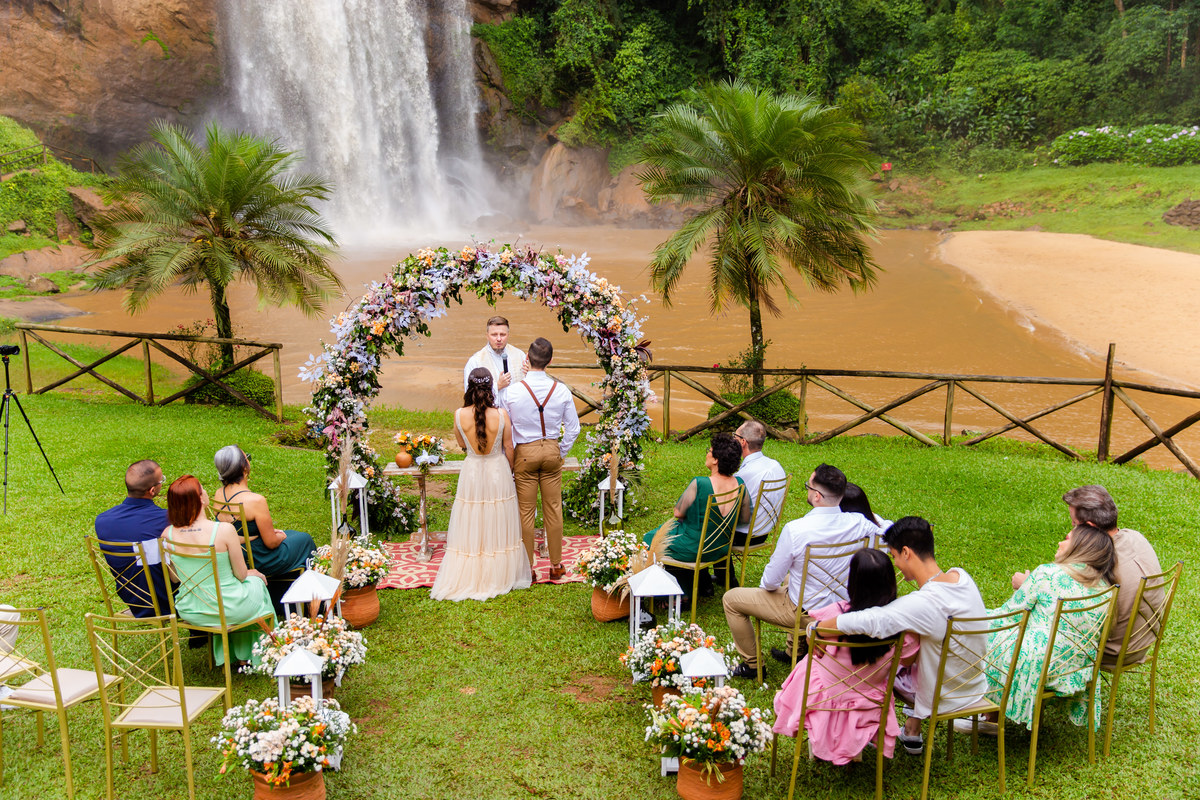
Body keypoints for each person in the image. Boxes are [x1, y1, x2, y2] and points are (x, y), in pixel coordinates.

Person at [817, 516, 988, 756]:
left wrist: (817, 628)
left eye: (894, 556)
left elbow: (871, 619)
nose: (895, 563)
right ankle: (911, 726)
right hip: (974, 684)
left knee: (877, 664)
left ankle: (852, 731)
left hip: (944, 694)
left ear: (906, 552)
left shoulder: (924, 603)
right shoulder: (960, 576)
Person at [724, 464, 882, 679]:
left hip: (807, 612)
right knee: (793, 580)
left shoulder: (796, 529)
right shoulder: (861, 524)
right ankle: (795, 652)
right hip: (843, 607)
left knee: (731, 599)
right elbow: (887, 530)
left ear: (817, 495)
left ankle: (752, 666)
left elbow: (769, 582)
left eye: (808, 486)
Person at [773, 548, 920, 764]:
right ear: (890, 583)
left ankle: (819, 732)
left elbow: (814, 636)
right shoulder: (902, 628)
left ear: (853, 583)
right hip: (870, 704)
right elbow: (906, 661)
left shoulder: (835, 615)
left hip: (819, 700)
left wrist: (812, 633)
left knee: (810, 664)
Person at [1012, 485, 1162, 667]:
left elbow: (1065, 609)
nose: (1072, 530)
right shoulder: (1135, 537)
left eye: (1074, 524)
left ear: (1090, 527)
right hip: (1142, 642)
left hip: (1110, 651)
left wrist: (1028, 585)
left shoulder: (1098, 562)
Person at [985, 524, 1117, 730]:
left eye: (1066, 539)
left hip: (1039, 666)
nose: (1059, 542)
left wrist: (977, 615)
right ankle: (991, 714)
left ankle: (985, 712)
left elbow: (1008, 615)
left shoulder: (1047, 573)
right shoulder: (1106, 589)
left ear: (1080, 547)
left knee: (983, 633)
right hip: (1077, 669)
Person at [431, 369, 533, 601]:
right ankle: (498, 572)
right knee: (498, 516)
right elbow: (509, 447)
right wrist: (509, 469)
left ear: (469, 387)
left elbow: (462, 444)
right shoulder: (501, 414)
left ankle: (473, 570)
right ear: (491, 388)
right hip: (498, 470)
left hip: (473, 471)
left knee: (473, 515)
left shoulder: (458, 414)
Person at [161, 475, 275, 666]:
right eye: (202, 489)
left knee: (243, 592)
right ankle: (262, 654)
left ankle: (233, 655)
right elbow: (241, 575)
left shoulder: (167, 534)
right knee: (256, 584)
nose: (206, 492)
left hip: (191, 609)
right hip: (227, 608)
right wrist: (252, 574)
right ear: (199, 499)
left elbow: (174, 579)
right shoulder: (223, 530)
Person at [504, 337, 580, 579]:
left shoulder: (512, 392)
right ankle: (556, 565)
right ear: (550, 361)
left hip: (525, 453)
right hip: (551, 451)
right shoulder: (561, 390)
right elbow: (574, 428)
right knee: (554, 508)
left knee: (526, 512)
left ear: (527, 359)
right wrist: (561, 451)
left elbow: (506, 429)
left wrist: (511, 457)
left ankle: (528, 568)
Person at [644, 432, 749, 599]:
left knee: (650, 539)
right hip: (721, 548)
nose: (707, 453)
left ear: (716, 460)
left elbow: (678, 512)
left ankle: (676, 594)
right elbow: (744, 518)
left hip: (694, 549)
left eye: (709, 450)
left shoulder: (700, 483)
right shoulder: (740, 484)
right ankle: (699, 585)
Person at [213, 445, 316, 610]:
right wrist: (280, 536)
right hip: (259, 558)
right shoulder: (255, 501)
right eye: (247, 458)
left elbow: (225, 531)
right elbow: (271, 543)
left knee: (293, 534)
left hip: (236, 554)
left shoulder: (219, 494)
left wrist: (251, 537)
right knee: (305, 540)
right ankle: (308, 601)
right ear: (243, 468)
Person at [94, 459, 173, 617]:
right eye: (161, 480)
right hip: (168, 601)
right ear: (152, 490)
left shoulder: (102, 521)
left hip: (134, 600)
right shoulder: (166, 519)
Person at [464, 316, 526, 406]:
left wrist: (530, 373)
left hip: (517, 410)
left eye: (503, 334)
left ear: (508, 335)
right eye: (494, 335)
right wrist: (497, 386)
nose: (499, 339)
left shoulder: (520, 355)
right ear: (487, 336)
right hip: (490, 411)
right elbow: (469, 394)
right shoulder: (475, 361)